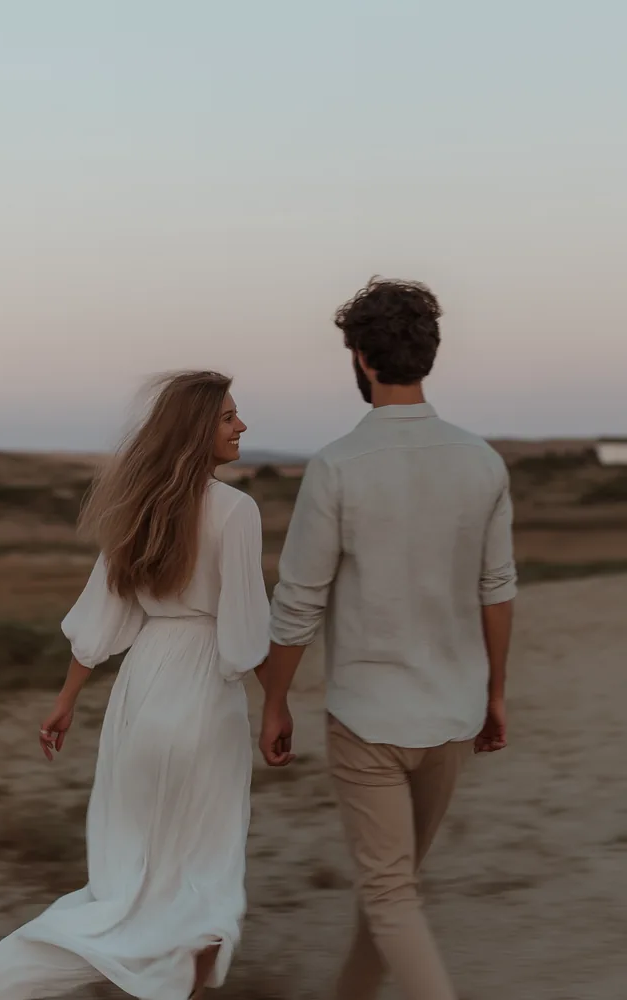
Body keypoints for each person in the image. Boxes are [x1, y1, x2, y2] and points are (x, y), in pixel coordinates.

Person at [258, 278, 517, 1000]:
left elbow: (298, 602)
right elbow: (497, 590)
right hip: (453, 715)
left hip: (368, 719)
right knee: (393, 889)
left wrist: (273, 703)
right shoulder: (483, 462)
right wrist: (495, 695)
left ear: (363, 359)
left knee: (390, 895)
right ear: (426, 356)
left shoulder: (337, 465)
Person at [0, 371, 271, 1000]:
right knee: (205, 874)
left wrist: (65, 702)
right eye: (228, 417)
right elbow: (247, 633)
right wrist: (276, 704)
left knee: (136, 873)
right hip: (201, 694)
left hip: (140, 691)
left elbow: (103, 616)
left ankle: (94, 963)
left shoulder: (138, 510)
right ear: (199, 431)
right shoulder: (238, 511)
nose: (241, 425)